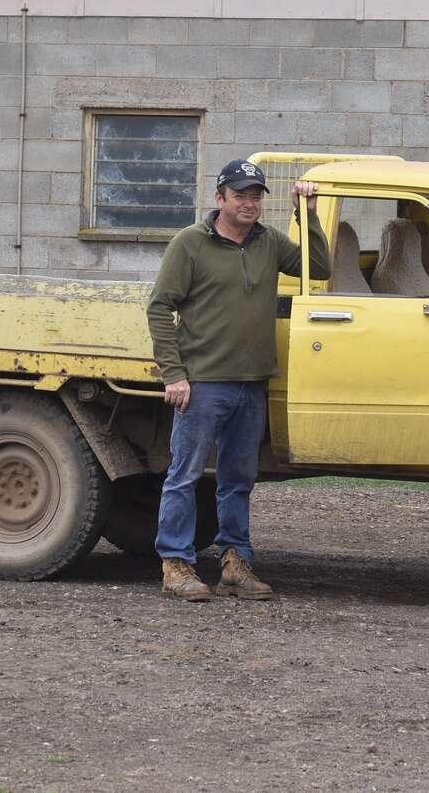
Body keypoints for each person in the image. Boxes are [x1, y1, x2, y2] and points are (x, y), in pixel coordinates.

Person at [145, 159, 330, 602]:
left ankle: (235, 564)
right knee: (185, 475)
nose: (249, 203)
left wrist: (309, 212)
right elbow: (159, 307)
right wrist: (175, 374)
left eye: (256, 196)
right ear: (220, 198)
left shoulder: (268, 243)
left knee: (237, 479)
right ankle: (175, 565)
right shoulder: (190, 244)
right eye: (240, 194)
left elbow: (319, 268)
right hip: (203, 384)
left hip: (252, 384)